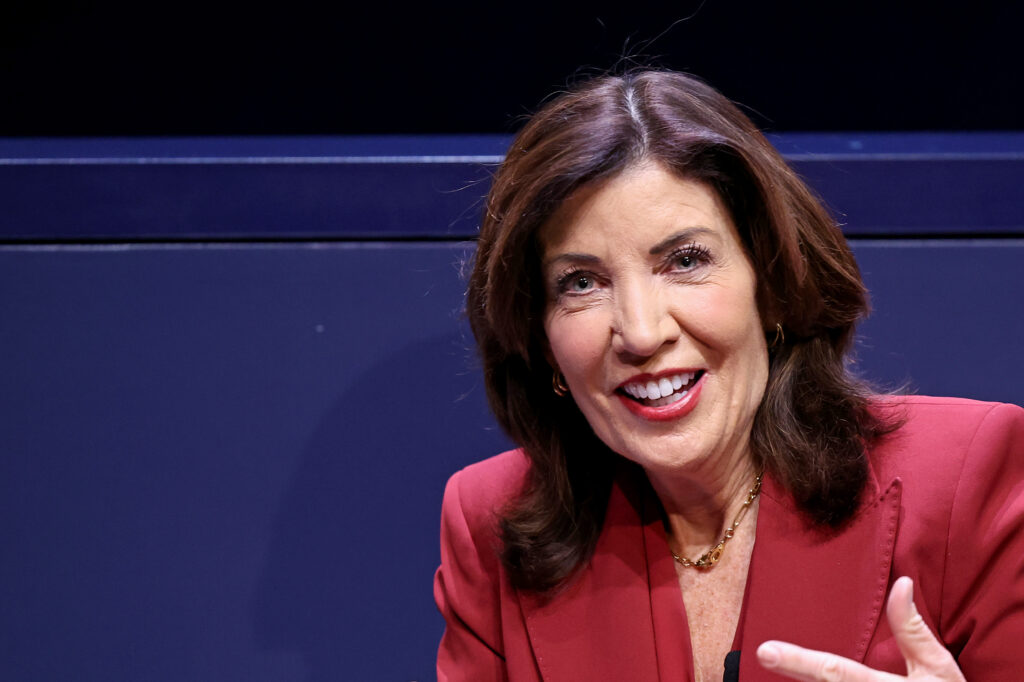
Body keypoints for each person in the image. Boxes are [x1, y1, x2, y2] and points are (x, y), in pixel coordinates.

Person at [433, 70, 1024, 681]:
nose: (641, 332)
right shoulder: (490, 522)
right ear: (540, 338)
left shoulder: (966, 482)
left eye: (685, 261)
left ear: (772, 285)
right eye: (581, 282)